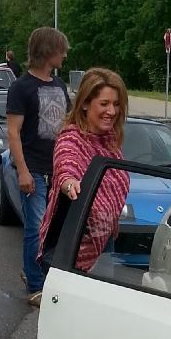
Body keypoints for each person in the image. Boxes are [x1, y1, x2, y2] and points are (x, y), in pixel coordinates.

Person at [39, 67, 130, 285]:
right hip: (69, 255)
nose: (112, 111)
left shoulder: (110, 143)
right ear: (86, 103)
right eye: (104, 103)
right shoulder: (71, 139)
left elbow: (112, 190)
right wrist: (69, 184)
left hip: (104, 245)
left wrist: (111, 219)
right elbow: (65, 167)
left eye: (117, 104)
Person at [5, 27, 70, 307]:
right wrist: (22, 170)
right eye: (61, 50)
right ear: (48, 51)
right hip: (34, 169)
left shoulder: (59, 85)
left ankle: (41, 275)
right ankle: (35, 286)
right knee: (36, 227)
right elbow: (13, 132)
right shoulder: (21, 87)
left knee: (55, 229)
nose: (65, 55)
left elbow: (67, 126)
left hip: (58, 169)